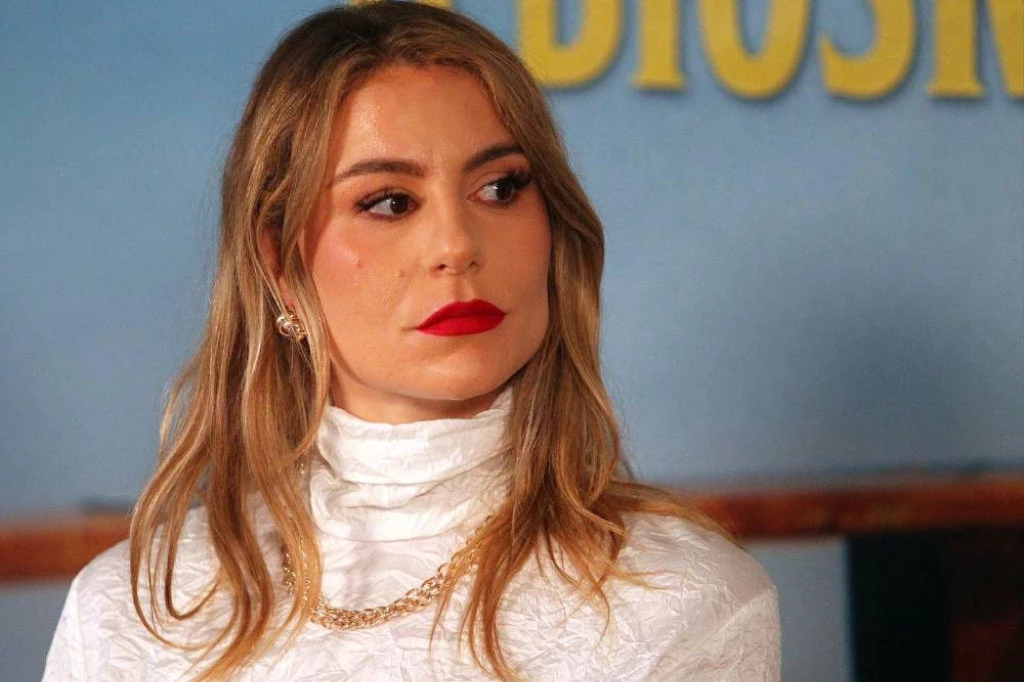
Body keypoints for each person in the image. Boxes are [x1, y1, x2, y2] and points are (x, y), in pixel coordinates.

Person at [43, 2, 780, 680]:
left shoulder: (680, 601)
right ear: (279, 261)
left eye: (500, 188)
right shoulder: (129, 611)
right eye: (390, 202)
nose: (457, 245)